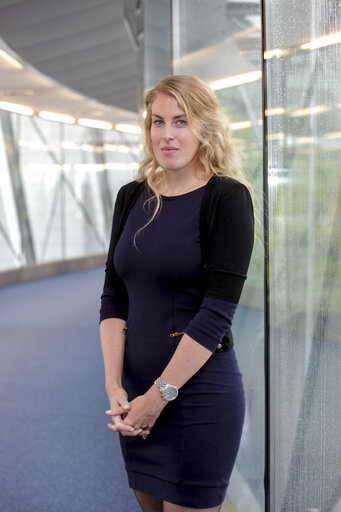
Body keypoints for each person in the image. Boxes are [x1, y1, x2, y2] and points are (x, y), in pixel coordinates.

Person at [99, 74, 254, 512]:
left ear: (204, 128)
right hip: (136, 397)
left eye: (181, 122)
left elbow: (216, 312)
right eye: (157, 121)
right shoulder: (131, 198)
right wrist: (114, 385)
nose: (167, 135)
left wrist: (159, 396)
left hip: (197, 396)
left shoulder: (226, 198)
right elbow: (114, 296)